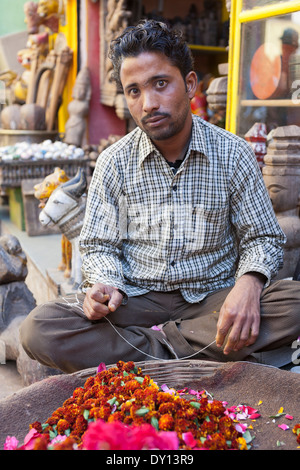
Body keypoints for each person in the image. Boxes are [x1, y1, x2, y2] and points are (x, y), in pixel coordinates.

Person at [20, 20, 300, 373]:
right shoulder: (114, 162)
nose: (149, 103)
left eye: (161, 84)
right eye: (134, 91)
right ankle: (189, 352)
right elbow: (99, 246)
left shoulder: (233, 153)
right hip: (136, 301)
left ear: (190, 84)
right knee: (40, 328)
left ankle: (147, 355)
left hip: (212, 301)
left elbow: (263, 237)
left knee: (293, 301)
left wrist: (249, 283)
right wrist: (105, 285)